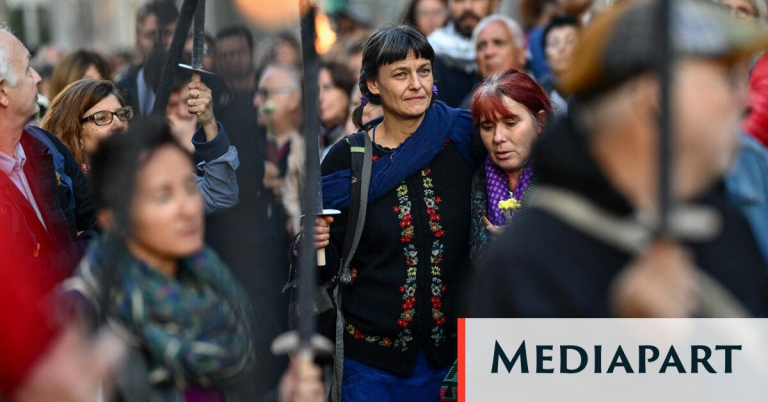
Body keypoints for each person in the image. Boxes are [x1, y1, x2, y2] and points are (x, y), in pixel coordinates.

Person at [470, 1, 768, 320]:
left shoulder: (723, 224)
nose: (746, 100)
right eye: (728, 79)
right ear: (658, 97)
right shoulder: (522, 265)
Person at [308, 24, 476, 401]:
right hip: (369, 367)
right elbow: (324, 265)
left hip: (453, 362)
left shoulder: (462, 140)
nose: (416, 84)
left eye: (424, 70)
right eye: (400, 73)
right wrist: (313, 242)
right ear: (371, 85)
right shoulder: (346, 159)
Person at [62, 118, 254, 401]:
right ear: (113, 220)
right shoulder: (80, 319)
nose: (188, 209)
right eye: (163, 196)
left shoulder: (212, 285)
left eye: (190, 188)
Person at [41, 78, 240, 214]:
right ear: (75, 132)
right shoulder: (57, 188)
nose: (119, 124)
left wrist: (209, 124)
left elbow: (220, 195)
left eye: (121, 114)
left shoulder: (147, 168)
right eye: (102, 118)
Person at [0, 23, 96, 276]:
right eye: (26, 70)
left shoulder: (46, 145)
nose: (38, 77)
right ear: (2, 92)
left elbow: (97, 222)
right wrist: (83, 248)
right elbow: (21, 277)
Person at [468, 69, 553, 260]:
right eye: (488, 127)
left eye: (511, 123)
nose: (498, 138)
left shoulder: (561, 178)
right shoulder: (477, 180)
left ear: (540, 122)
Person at [253, 64, 304, 235]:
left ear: (293, 99)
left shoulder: (312, 145)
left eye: (265, 93)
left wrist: (288, 190)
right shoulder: (247, 143)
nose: (256, 101)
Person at [428, 0, 498, 107]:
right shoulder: (432, 53)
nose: (467, 7)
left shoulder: (511, 51)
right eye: (459, 0)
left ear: (493, 4)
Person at [115, 0, 178, 115]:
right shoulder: (122, 89)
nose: (161, 42)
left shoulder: (200, 83)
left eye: (167, 33)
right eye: (151, 35)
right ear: (138, 40)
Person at [457, 14, 527, 108]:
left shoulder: (547, 95)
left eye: (498, 43)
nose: (488, 52)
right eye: (481, 46)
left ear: (520, 54)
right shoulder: (469, 109)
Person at [542, 15, 580, 115]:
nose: (562, 48)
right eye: (554, 43)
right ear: (546, 56)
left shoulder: (597, 91)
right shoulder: (538, 96)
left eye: (570, 41)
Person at [519, 0, 560, 83]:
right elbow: (542, 73)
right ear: (536, 18)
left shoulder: (527, 36)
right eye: (552, 18)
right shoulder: (537, 36)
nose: (556, 24)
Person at [216, 25, 257, 95]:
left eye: (239, 52)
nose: (234, 60)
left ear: (252, 50)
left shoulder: (269, 88)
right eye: (226, 55)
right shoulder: (214, 96)